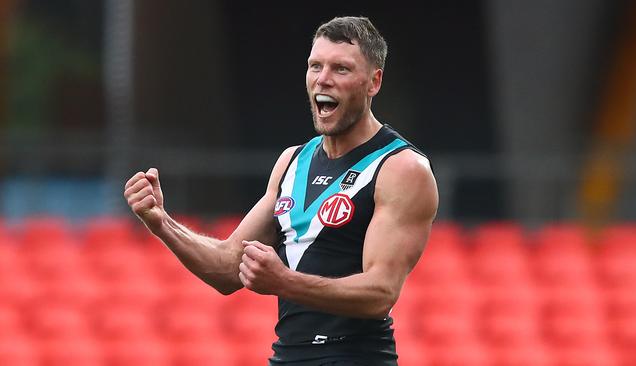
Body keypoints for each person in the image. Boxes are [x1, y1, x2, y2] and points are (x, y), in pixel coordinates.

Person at [124, 16, 438, 366]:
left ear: (373, 82)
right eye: (315, 66)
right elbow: (228, 268)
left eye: (341, 69)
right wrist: (162, 223)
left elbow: (380, 292)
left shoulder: (401, 168)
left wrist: (285, 281)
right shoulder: (293, 161)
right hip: (288, 357)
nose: (323, 79)